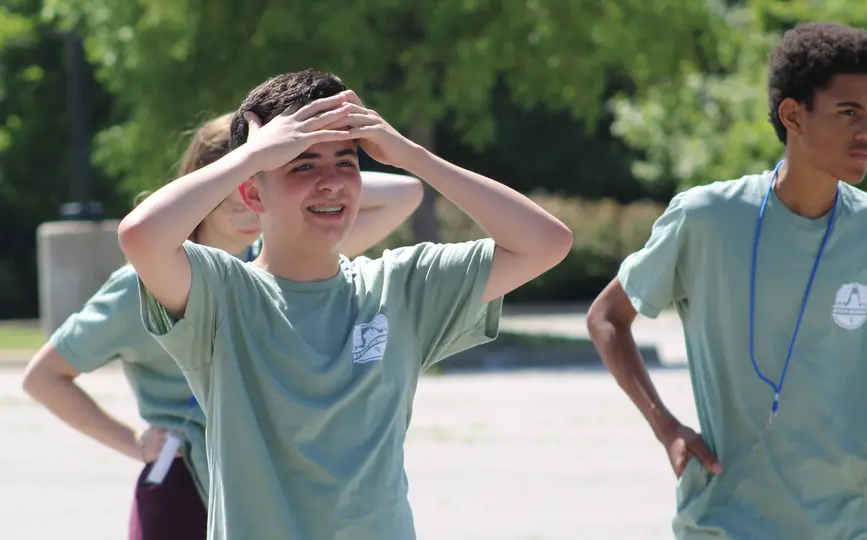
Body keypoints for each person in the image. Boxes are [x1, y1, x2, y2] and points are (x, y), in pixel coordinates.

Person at [118, 69, 572, 540]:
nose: (332, 183)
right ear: (253, 192)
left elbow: (546, 243)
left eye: (346, 163)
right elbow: (140, 236)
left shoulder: (401, 286)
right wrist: (252, 154)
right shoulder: (221, 294)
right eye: (303, 165)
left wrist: (413, 157)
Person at [21, 111, 425, 540]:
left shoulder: (280, 262)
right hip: (186, 490)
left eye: (265, 181)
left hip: (267, 486)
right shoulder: (145, 282)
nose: (250, 197)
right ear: (206, 182)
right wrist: (135, 441)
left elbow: (406, 193)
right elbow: (44, 377)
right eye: (239, 184)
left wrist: (304, 163)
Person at [586, 22, 867, 539]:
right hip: (732, 515)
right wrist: (668, 430)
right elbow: (607, 318)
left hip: (858, 516)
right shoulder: (705, 219)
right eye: (848, 113)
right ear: (792, 115)